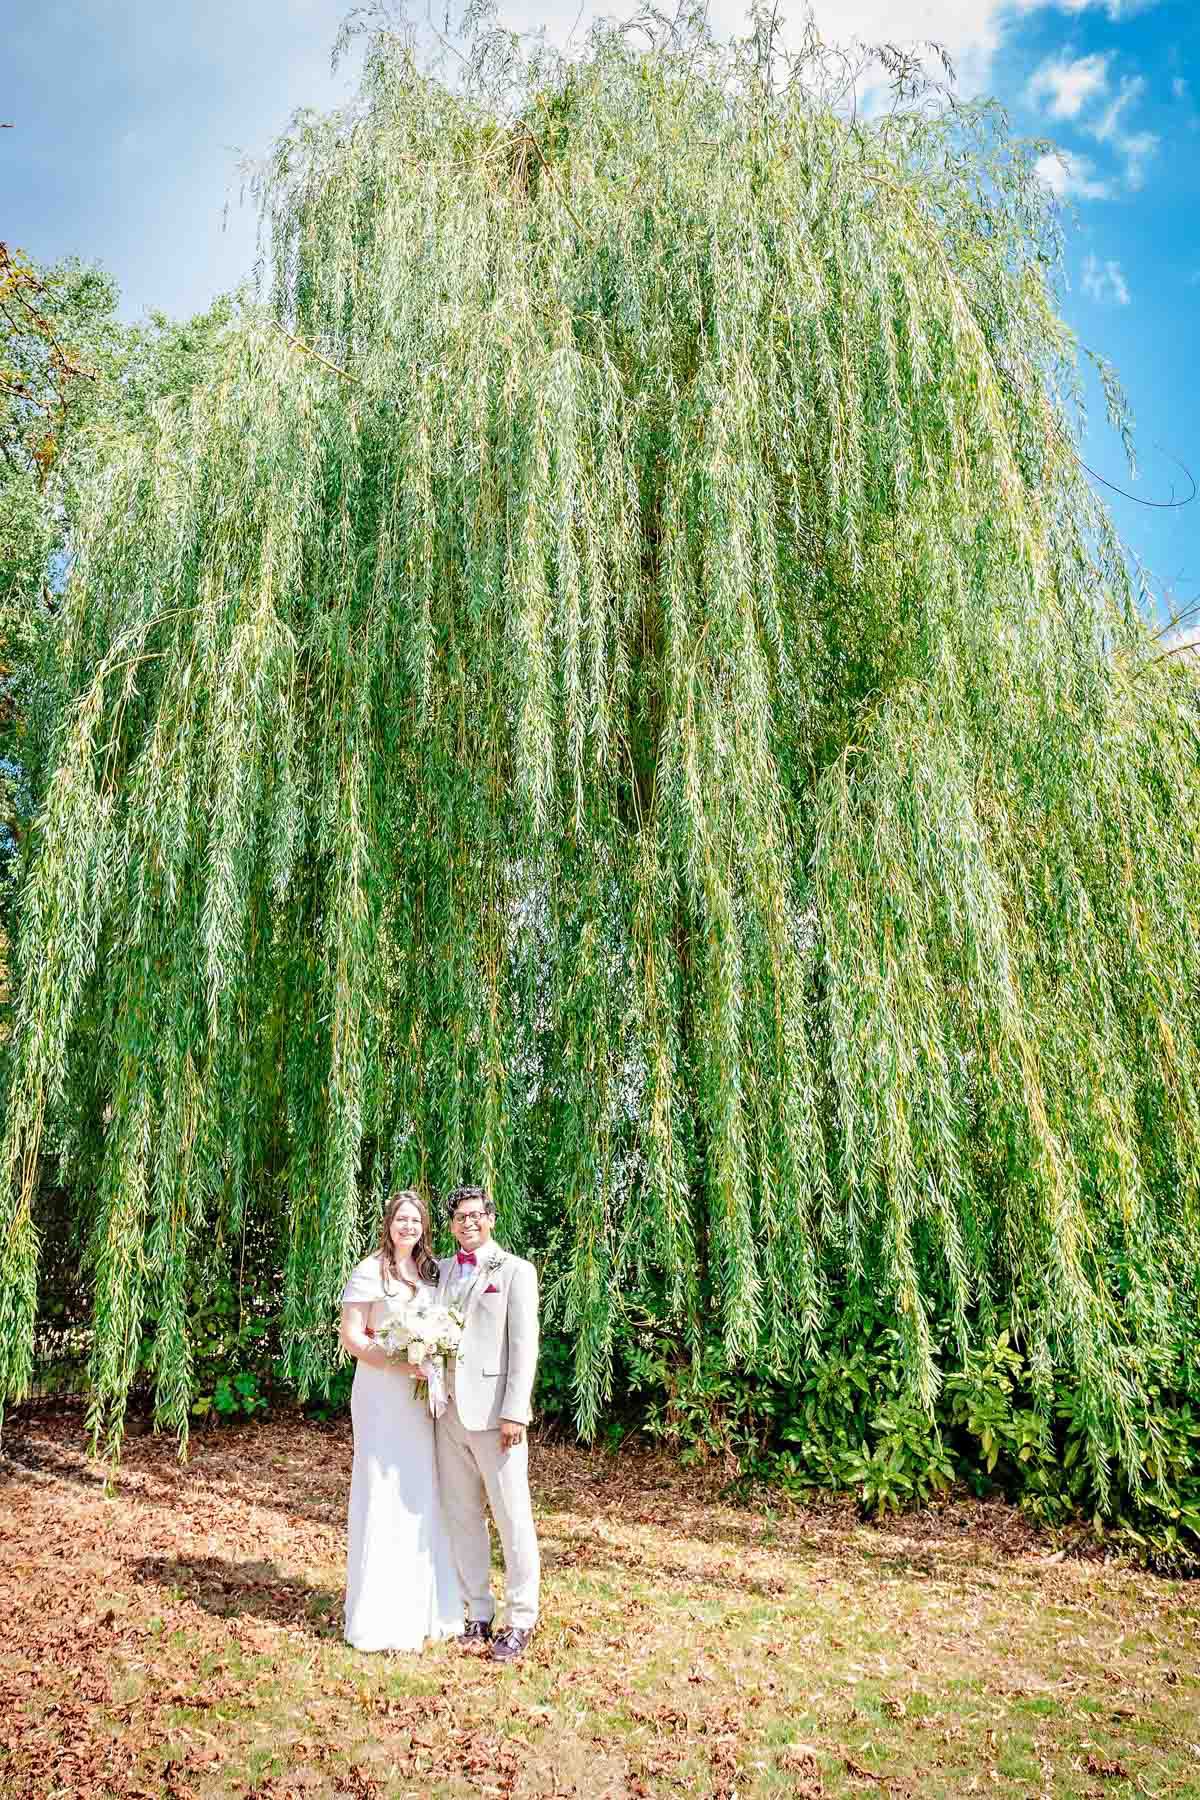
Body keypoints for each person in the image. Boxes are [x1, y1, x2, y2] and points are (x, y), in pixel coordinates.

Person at [339, 1189, 463, 1652]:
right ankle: (380, 1612)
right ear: (388, 1224)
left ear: (424, 1226)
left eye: (415, 1220)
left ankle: (426, 1604)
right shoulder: (369, 1271)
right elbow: (352, 1335)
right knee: (382, 1485)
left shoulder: (428, 1273)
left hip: (419, 1397)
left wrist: (431, 1354)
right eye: (400, 1219)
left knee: (419, 1487)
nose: (408, 1227)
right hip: (381, 1392)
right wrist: (397, 1361)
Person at [435, 1184, 540, 1664]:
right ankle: (478, 1611)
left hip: (495, 1415)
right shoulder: (439, 1272)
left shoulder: (515, 1271)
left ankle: (522, 1618)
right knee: (463, 1517)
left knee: (511, 1516)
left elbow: (523, 1346)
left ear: (491, 1218)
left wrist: (515, 1410)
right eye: (459, 1216)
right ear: (451, 1222)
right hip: (446, 1413)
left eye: (476, 1215)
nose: (468, 1223)